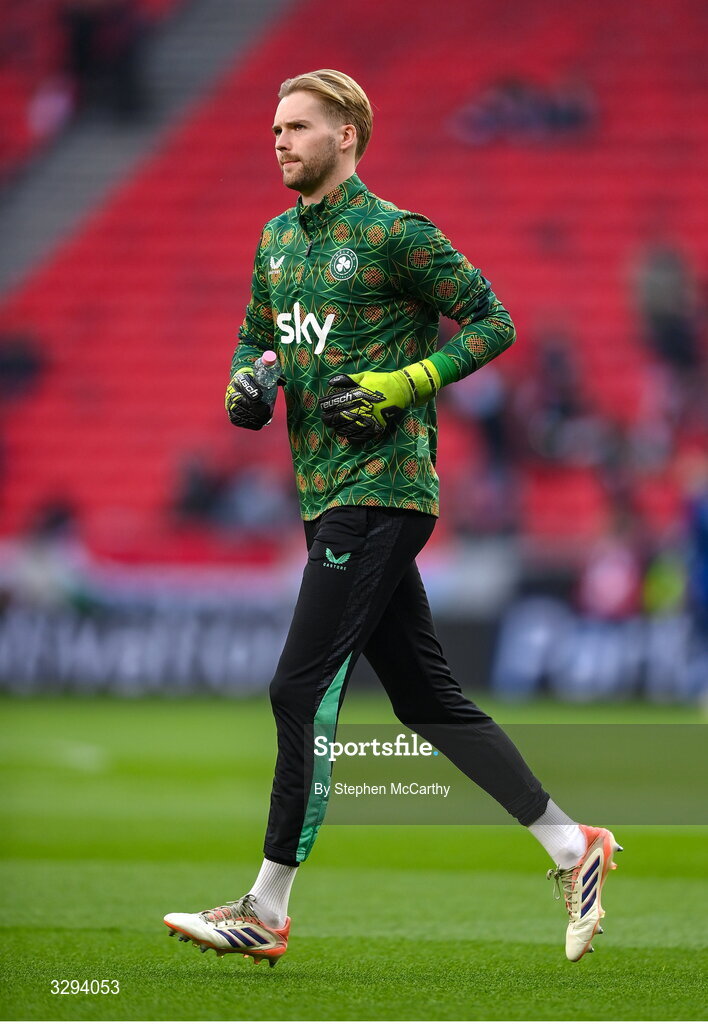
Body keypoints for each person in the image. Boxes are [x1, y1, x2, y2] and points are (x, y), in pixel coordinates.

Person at [163, 69, 621, 966]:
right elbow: (256, 338)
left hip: (384, 489)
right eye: (274, 129)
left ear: (348, 134)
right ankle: (575, 848)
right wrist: (244, 387)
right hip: (323, 491)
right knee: (425, 699)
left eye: (298, 126)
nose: (281, 141)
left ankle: (264, 906)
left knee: (299, 688)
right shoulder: (275, 241)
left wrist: (403, 384)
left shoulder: (395, 235)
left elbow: (494, 321)